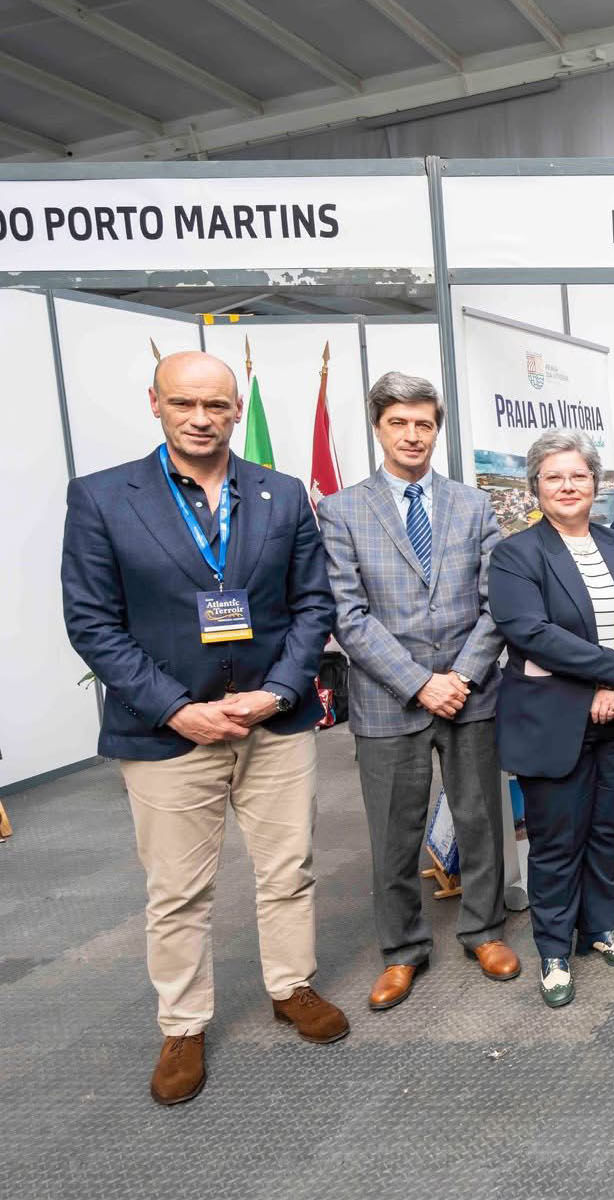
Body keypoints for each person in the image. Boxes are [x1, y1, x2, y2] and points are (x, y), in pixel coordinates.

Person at [61, 350, 345, 1107]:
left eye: (217, 405)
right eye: (185, 403)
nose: (201, 418)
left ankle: (292, 986)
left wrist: (279, 690)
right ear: (155, 402)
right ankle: (182, 1024)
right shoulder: (102, 498)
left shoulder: (281, 494)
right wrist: (176, 707)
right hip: (168, 731)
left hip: (272, 723)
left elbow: (312, 604)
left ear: (232, 411)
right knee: (178, 890)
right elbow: (92, 622)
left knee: (289, 867)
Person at [321, 372, 520, 1011]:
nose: (413, 436)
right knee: (393, 834)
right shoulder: (342, 509)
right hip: (389, 699)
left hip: (471, 692)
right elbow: (347, 615)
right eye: (399, 424)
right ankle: (402, 951)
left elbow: (498, 606)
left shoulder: (472, 504)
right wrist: (418, 684)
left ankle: (484, 931)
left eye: (424, 424)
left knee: (481, 820)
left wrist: (458, 677)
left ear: (438, 429)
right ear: (378, 428)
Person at [488, 432, 614, 1008]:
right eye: (554, 477)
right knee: (556, 841)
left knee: (605, 832)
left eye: (579, 476)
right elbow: (530, 631)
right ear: (536, 486)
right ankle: (555, 950)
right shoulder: (517, 554)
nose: (568, 486)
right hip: (554, 719)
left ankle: (602, 929)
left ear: (596, 484)